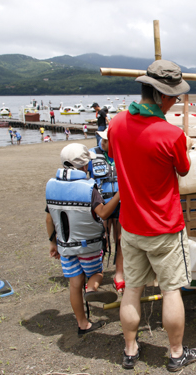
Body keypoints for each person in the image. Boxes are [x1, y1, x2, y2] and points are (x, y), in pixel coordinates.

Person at [108, 60, 196, 371]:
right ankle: (176, 354)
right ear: (163, 95)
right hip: (164, 226)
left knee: (132, 290)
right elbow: (184, 169)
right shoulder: (170, 134)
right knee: (170, 290)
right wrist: (185, 145)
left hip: (131, 226)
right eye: (174, 96)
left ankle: (130, 350)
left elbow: (118, 154)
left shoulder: (117, 124)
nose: (176, 101)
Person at [45, 143, 119, 336]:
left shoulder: (52, 186)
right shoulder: (89, 188)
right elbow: (103, 213)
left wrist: (53, 242)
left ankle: (82, 324)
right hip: (90, 246)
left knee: (74, 284)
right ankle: (93, 288)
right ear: (85, 166)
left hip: (65, 247)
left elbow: (49, 218)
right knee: (97, 274)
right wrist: (120, 194)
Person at [88, 130, 124, 293]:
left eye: (106, 140)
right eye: (101, 139)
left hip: (121, 203)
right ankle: (97, 272)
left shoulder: (124, 154)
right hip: (100, 204)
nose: (102, 142)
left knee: (120, 239)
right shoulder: (92, 155)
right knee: (102, 239)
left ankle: (119, 273)